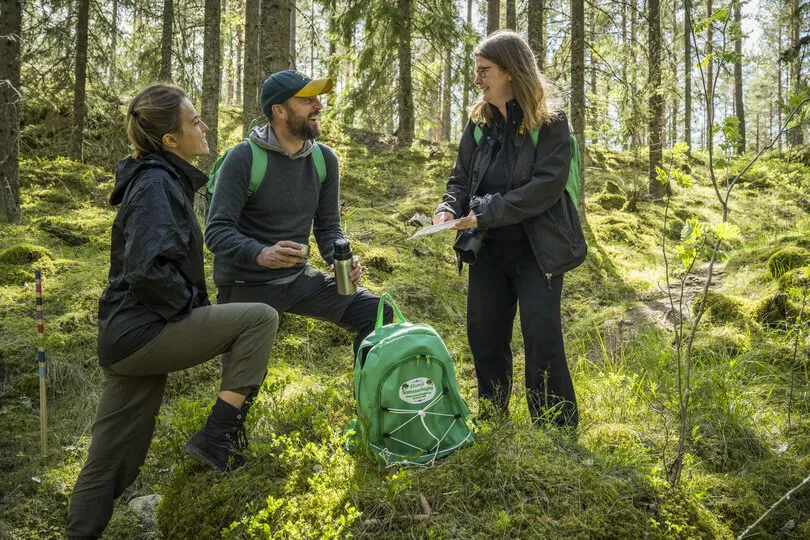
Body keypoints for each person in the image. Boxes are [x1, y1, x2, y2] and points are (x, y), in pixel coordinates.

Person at [66, 84, 278, 539]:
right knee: (260, 318)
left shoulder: (158, 178)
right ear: (170, 141)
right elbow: (147, 270)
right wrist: (191, 309)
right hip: (143, 333)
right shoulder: (157, 184)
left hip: (126, 337)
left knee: (116, 459)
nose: (204, 126)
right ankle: (217, 436)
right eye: (194, 121)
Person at [433, 31, 586, 427]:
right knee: (484, 335)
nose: (477, 79)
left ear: (510, 72)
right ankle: (493, 418)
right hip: (489, 249)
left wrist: (487, 211)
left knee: (542, 338)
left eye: (484, 71)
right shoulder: (479, 124)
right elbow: (460, 179)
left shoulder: (550, 123)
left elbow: (545, 188)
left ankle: (555, 429)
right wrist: (448, 210)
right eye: (477, 71)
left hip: (539, 250)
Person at [205, 70, 391, 359]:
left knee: (378, 313)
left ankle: (370, 395)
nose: (318, 105)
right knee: (241, 386)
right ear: (279, 110)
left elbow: (329, 227)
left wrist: (342, 259)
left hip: (298, 280)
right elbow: (216, 232)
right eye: (307, 100)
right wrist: (261, 253)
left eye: (317, 98)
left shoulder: (324, 160)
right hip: (246, 286)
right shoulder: (243, 158)